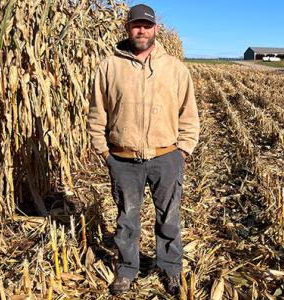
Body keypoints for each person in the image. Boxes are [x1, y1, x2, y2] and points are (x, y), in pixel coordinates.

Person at [87, 3, 200, 295]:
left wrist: (182, 150)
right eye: (136, 25)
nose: (141, 30)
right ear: (128, 28)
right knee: (127, 218)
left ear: (155, 30)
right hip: (123, 160)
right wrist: (104, 152)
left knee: (169, 217)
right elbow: (97, 113)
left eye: (147, 26)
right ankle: (127, 270)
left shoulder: (174, 68)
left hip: (166, 157)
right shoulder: (109, 66)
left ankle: (170, 269)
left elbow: (189, 113)